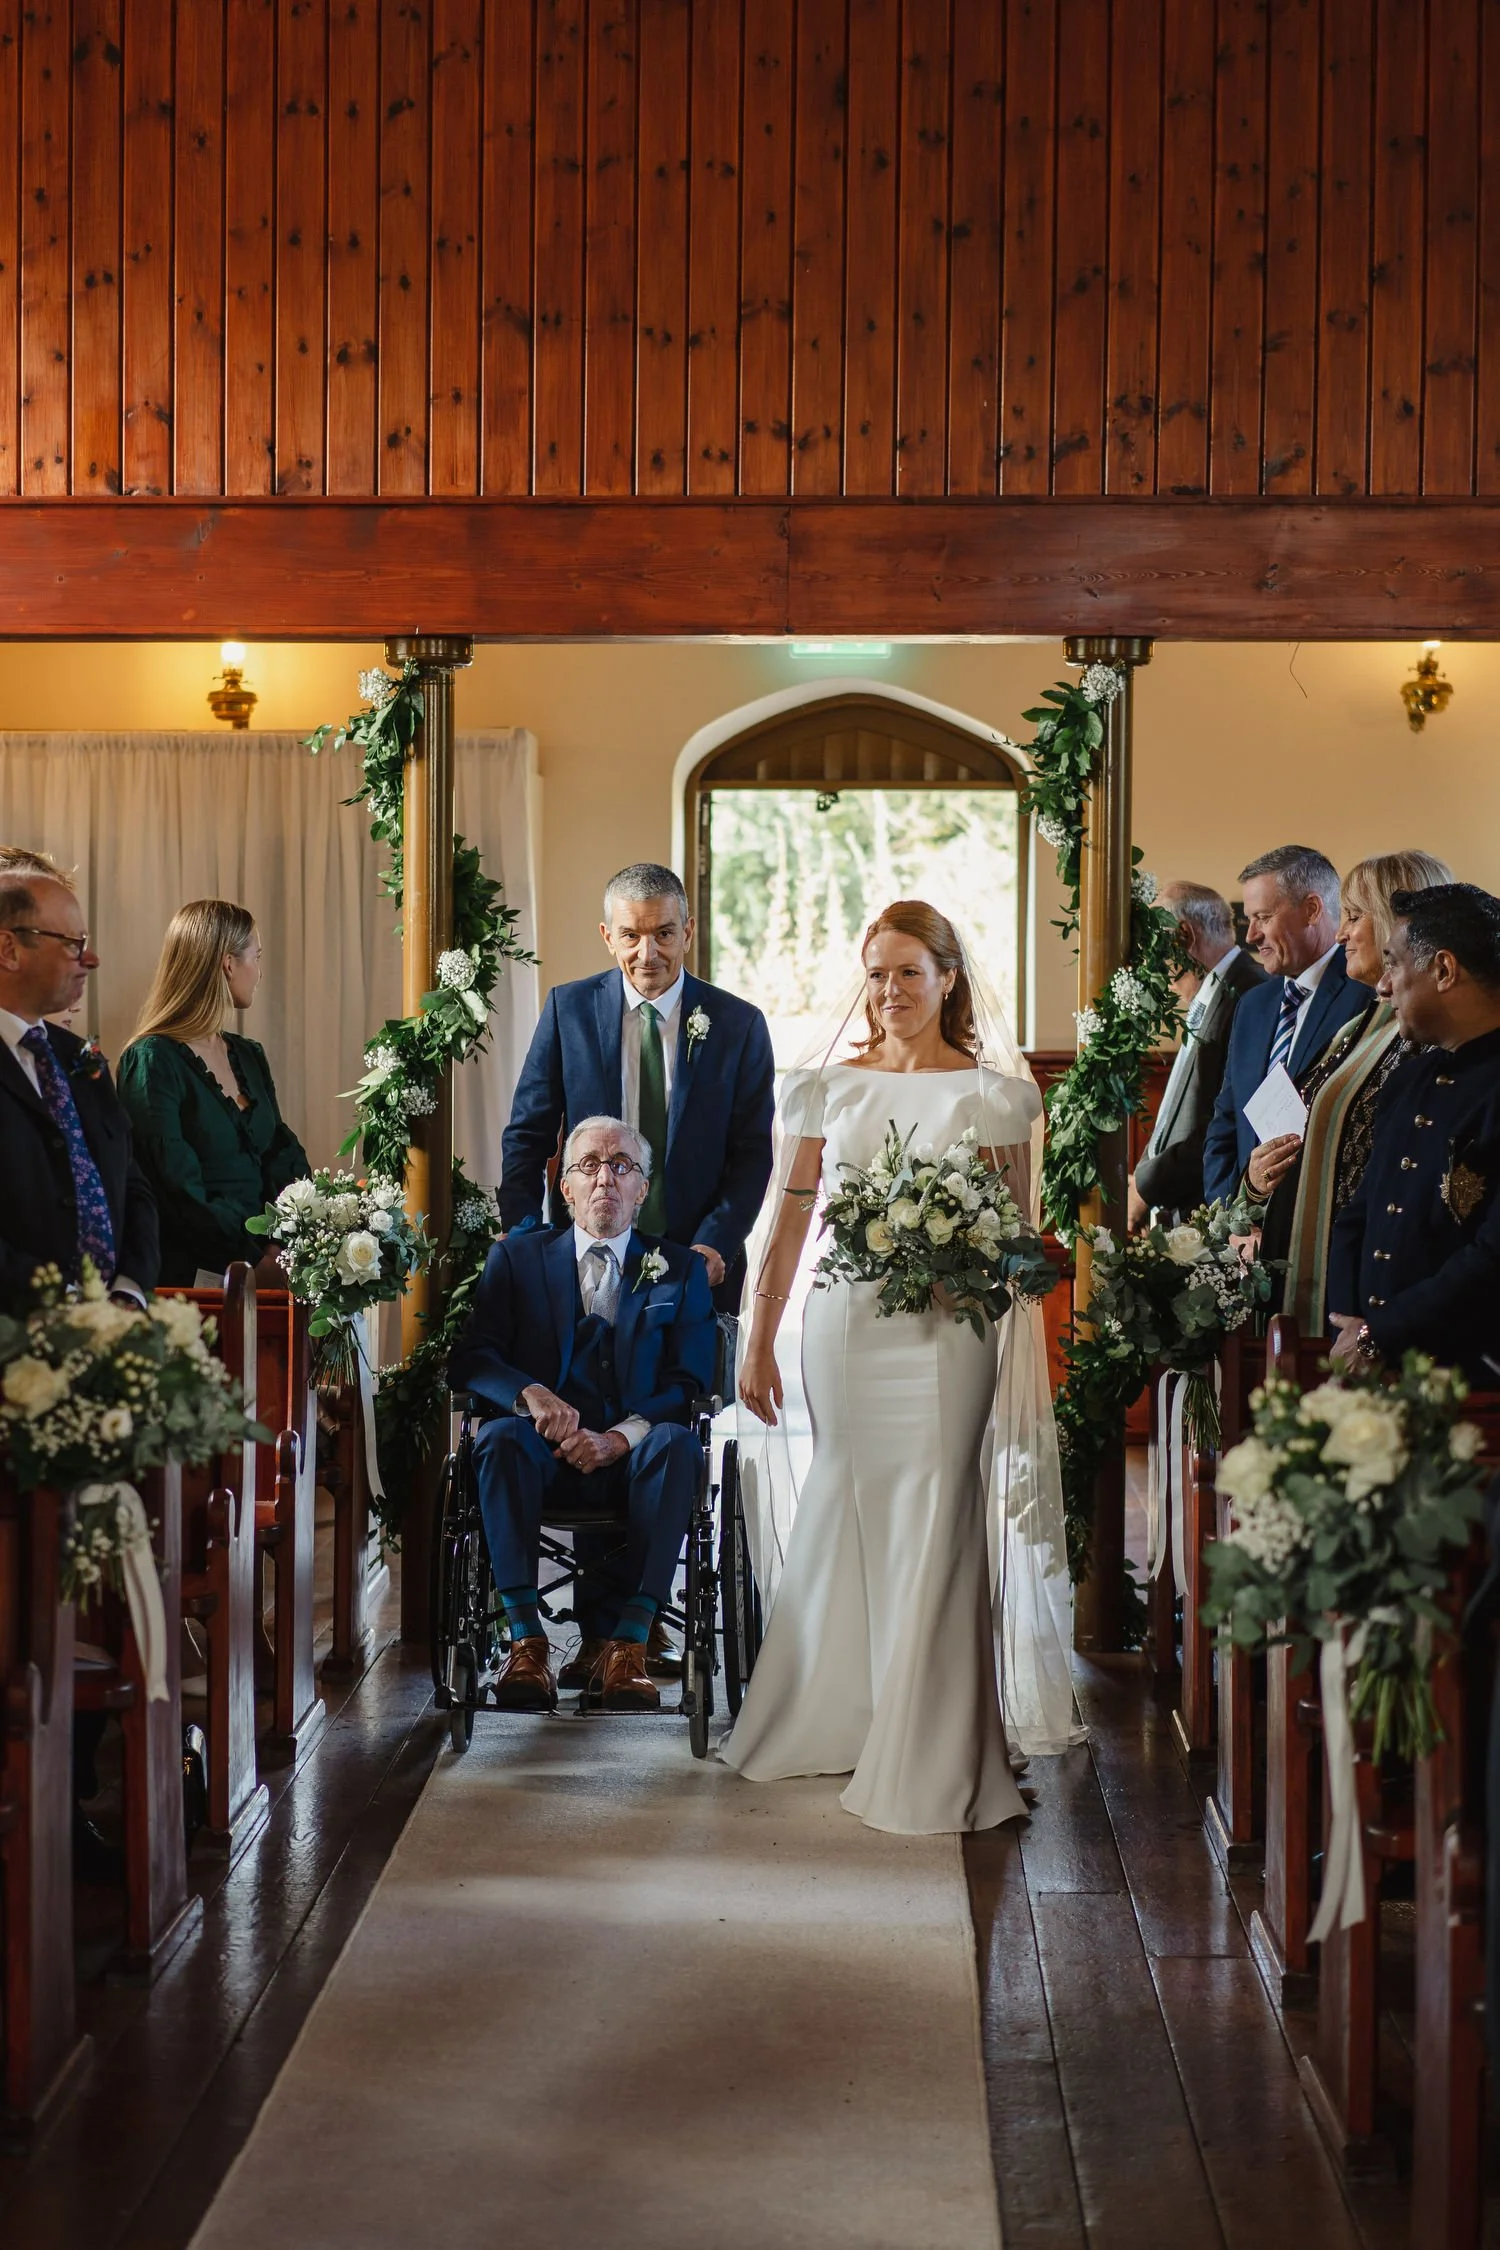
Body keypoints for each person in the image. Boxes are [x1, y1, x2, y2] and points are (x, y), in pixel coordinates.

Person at [724, 900, 1078, 1837]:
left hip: (953, 1334)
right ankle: (840, 1712)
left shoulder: (994, 1097)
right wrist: (758, 1338)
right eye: (877, 974)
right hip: (846, 1328)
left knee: (940, 1504)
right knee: (847, 1495)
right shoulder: (824, 1090)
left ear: (948, 979)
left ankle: (934, 1742)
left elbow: (1017, 1236)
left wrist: (969, 1259)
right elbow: (788, 1222)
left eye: (909, 973)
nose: (890, 992)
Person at [449, 1115, 716, 1713]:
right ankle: (526, 1643)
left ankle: (628, 1647)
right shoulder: (516, 1259)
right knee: (496, 1440)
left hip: (636, 1462)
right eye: (589, 1165)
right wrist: (531, 1394)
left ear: (642, 1189)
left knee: (678, 1444)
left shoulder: (680, 1269)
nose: (605, 1179)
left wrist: (619, 1438)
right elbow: (473, 1358)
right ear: (565, 1187)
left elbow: (692, 1381)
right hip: (541, 1455)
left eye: (621, 1166)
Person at [499, 862, 775, 1305]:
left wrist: (716, 1242)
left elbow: (752, 1153)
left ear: (687, 932)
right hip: (582, 1257)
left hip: (698, 1265)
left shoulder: (739, 1025)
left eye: (664, 934)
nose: (648, 954)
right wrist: (524, 1234)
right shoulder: (567, 1010)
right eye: (631, 936)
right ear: (608, 937)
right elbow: (527, 1135)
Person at [1249, 851, 1452, 1327]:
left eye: (1355, 916)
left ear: (1398, 923)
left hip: (1368, 1295)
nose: (1340, 933)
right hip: (1309, 1275)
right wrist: (1254, 1184)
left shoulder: (1423, 1034)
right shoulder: (1360, 1025)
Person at [1327, 884, 1500, 1384]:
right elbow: (1358, 1217)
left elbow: (1492, 1255)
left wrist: (1381, 1332)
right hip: (1376, 1365)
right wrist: (1349, 1326)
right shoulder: (1410, 1079)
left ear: (1444, 970)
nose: (1382, 986)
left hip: (1466, 1379)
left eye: (1394, 964)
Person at [117, 901, 309, 1288]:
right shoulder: (153, 1059)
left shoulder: (249, 1055)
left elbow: (282, 1153)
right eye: (256, 957)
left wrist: (284, 1243)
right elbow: (174, 1186)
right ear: (228, 964)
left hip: (271, 1265)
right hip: (193, 1276)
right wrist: (250, 1259)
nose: (260, 972)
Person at [0, 866, 158, 1311]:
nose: (91, 960)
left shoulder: (79, 1057)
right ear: (9, 950)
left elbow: (132, 1184)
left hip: (111, 1324)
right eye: (72, 943)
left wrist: (129, 1291)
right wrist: (66, 1303)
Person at [1202, 844, 1370, 1207]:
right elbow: (1226, 1124)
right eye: (1249, 920)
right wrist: (1231, 1217)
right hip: (1245, 1226)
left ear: (1311, 910)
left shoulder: (1366, 996)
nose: (1251, 935)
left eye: (1263, 917)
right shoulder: (1253, 1005)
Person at [1130, 882, 1265, 1226]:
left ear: (1184, 935)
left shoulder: (1248, 995)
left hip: (1211, 1211)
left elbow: (1220, 1121)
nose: (1151, 963)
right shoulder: (1213, 992)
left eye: (1154, 944)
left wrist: (1146, 1188)